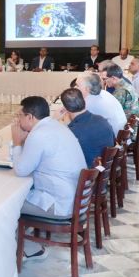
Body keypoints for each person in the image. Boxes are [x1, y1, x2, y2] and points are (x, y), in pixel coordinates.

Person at [11, 96, 86, 259]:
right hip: (76, 200)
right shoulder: (55, 126)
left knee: (7, 206)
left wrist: (17, 143)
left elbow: (21, 170)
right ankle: (27, 245)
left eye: (19, 116)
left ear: (30, 117)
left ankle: (27, 250)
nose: (17, 120)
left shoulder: (39, 135)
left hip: (60, 205)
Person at [59, 88, 115, 167]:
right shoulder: (102, 119)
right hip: (105, 169)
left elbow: (64, 157)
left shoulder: (72, 132)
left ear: (65, 108)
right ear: (84, 101)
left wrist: (56, 123)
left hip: (87, 174)